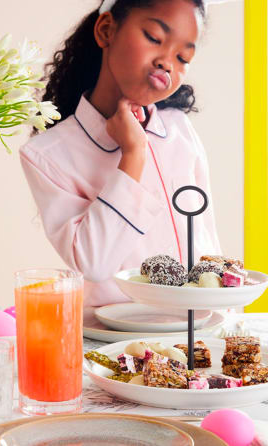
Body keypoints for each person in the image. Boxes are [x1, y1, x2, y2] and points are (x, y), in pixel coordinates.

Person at [20, 0, 222, 307]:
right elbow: (95, 263)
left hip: (196, 333)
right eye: (154, 37)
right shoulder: (47, 155)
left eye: (183, 57)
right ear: (106, 30)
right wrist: (133, 153)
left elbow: (207, 238)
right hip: (113, 345)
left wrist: (231, 321)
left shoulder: (180, 130)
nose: (167, 61)